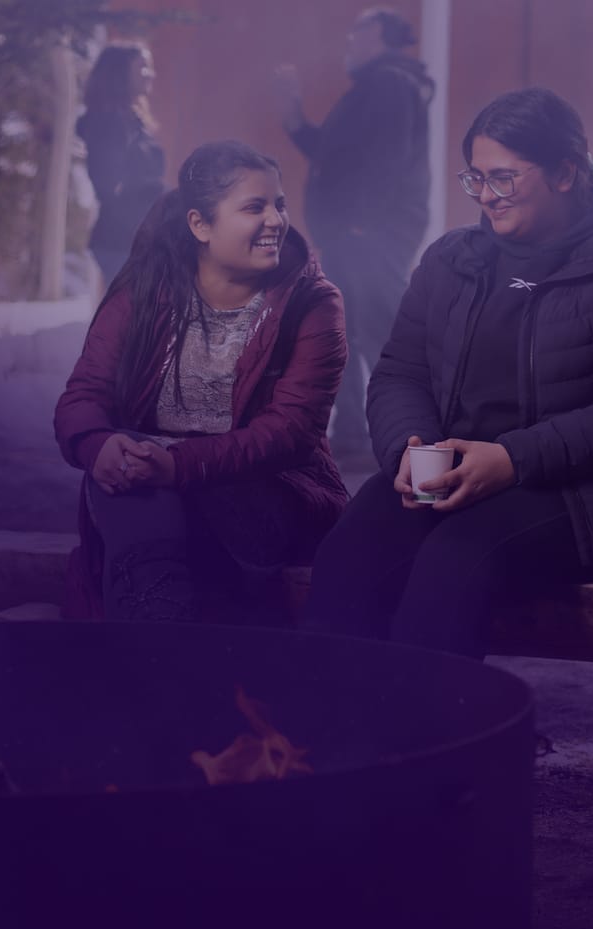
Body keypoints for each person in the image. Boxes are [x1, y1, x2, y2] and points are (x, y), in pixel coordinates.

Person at [302, 86, 593, 660]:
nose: (485, 195)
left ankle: (435, 737)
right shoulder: (450, 260)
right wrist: (407, 449)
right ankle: (320, 728)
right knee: (353, 548)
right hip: (460, 475)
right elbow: (400, 372)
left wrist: (511, 461)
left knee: (456, 560)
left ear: (565, 172)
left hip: (588, 495)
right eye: (476, 178)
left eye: (503, 178)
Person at [53, 140, 349, 622]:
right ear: (200, 225)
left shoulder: (310, 302)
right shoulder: (145, 292)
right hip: (149, 493)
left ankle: (164, 656)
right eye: (254, 207)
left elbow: (290, 433)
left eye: (279, 204)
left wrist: (175, 466)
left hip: (267, 496)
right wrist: (97, 445)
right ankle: (162, 654)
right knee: (132, 491)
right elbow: (82, 396)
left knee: (150, 514)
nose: (275, 220)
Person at [274, 6, 434, 463]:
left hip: (368, 236)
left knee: (375, 336)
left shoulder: (390, 84)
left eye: (355, 35)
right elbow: (339, 155)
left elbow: (385, 158)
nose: (347, 43)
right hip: (360, 233)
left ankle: (403, 439)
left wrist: (360, 224)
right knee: (345, 329)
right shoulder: (378, 86)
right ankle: (356, 435)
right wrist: (297, 122)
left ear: (378, 36)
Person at [79, 41, 166, 285]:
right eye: (143, 68)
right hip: (121, 243)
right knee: (134, 318)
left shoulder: (134, 123)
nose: (151, 74)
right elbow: (109, 186)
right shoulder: (109, 125)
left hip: (138, 240)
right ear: (120, 75)